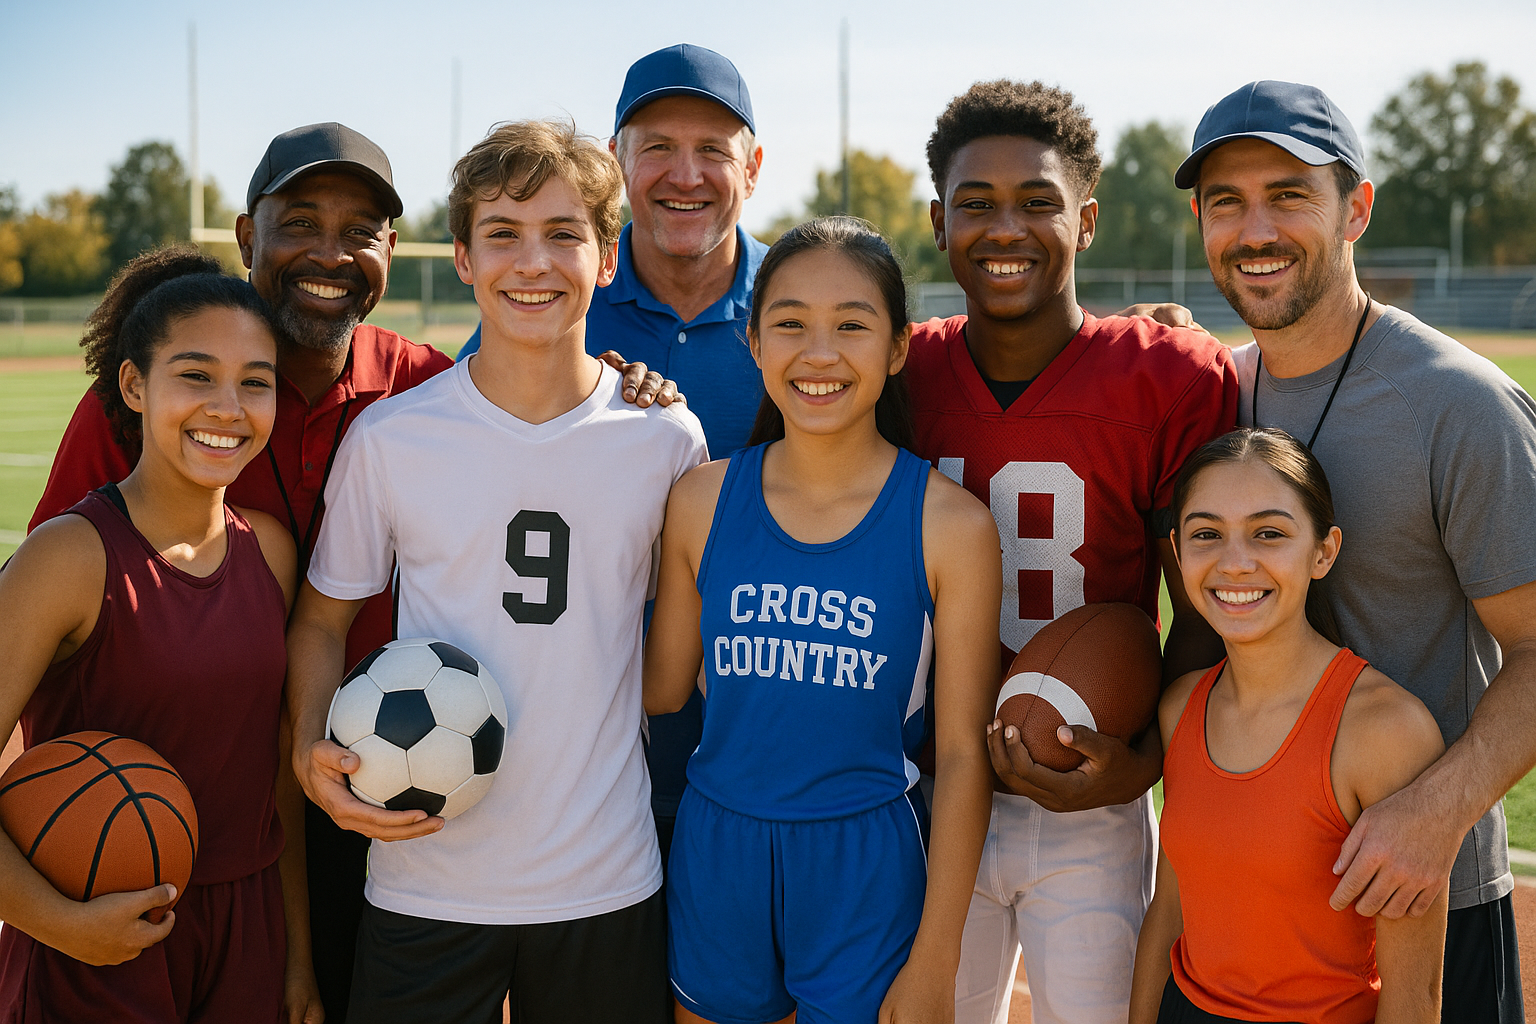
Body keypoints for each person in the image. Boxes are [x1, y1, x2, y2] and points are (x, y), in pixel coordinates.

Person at [25, 122, 674, 1020]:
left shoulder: (421, 386)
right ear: (247, 236)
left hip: (389, 804)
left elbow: (538, 439)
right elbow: (62, 611)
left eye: (358, 230)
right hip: (178, 799)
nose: (328, 251)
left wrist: (628, 392)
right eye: (298, 222)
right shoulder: (161, 419)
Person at [287, 119, 707, 1022]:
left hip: (604, 878)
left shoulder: (666, 438)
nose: (533, 262)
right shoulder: (393, 437)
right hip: (424, 874)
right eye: (504, 235)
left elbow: (673, 670)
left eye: (565, 234)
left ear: (607, 259)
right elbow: (322, 622)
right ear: (466, 259)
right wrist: (306, 748)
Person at [1177, 80, 1536, 1023]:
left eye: (1290, 194)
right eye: (1227, 202)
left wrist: (1436, 811)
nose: (1256, 229)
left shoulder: (1459, 406)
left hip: (1414, 900)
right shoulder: (1219, 392)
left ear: (1357, 209)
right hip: (1244, 915)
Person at [905, 80, 1240, 1024]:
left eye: (1038, 202)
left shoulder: (1166, 374)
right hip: (931, 789)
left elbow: (1208, 610)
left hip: (1094, 793)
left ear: (1086, 220)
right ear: (937, 221)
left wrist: (1142, 762)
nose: (1004, 228)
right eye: (976, 204)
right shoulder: (901, 366)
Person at [644, 216, 999, 1024]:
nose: (821, 353)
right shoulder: (700, 500)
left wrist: (937, 960)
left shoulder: (951, 526)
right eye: (791, 324)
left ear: (899, 347)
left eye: (852, 325)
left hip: (865, 859)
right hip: (718, 847)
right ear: (754, 343)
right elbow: (659, 690)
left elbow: (960, 756)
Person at [456, 46, 766, 860]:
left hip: (770, 753)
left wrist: (1143, 334)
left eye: (713, 150)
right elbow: (462, 434)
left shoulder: (805, 298)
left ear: (754, 167)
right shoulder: (551, 297)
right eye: (657, 146)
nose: (685, 174)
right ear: (618, 162)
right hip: (587, 767)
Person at [0, 248, 320, 1023]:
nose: (228, 407)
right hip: (95, 934)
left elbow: (273, 775)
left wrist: (298, 957)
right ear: (135, 386)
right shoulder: (69, 556)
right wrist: (59, 922)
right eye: (196, 374)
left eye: (255, 381)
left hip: (246, 933)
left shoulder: (271, 551)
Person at [1128, 427, 1445, 1024]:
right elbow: (1169, 911)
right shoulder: (1181, 708)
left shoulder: (1384, 731)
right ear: (1178, 550)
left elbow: (1414, 994)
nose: (1235, 562)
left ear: (1324, 552)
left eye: (1268, 533)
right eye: (1206, 535)